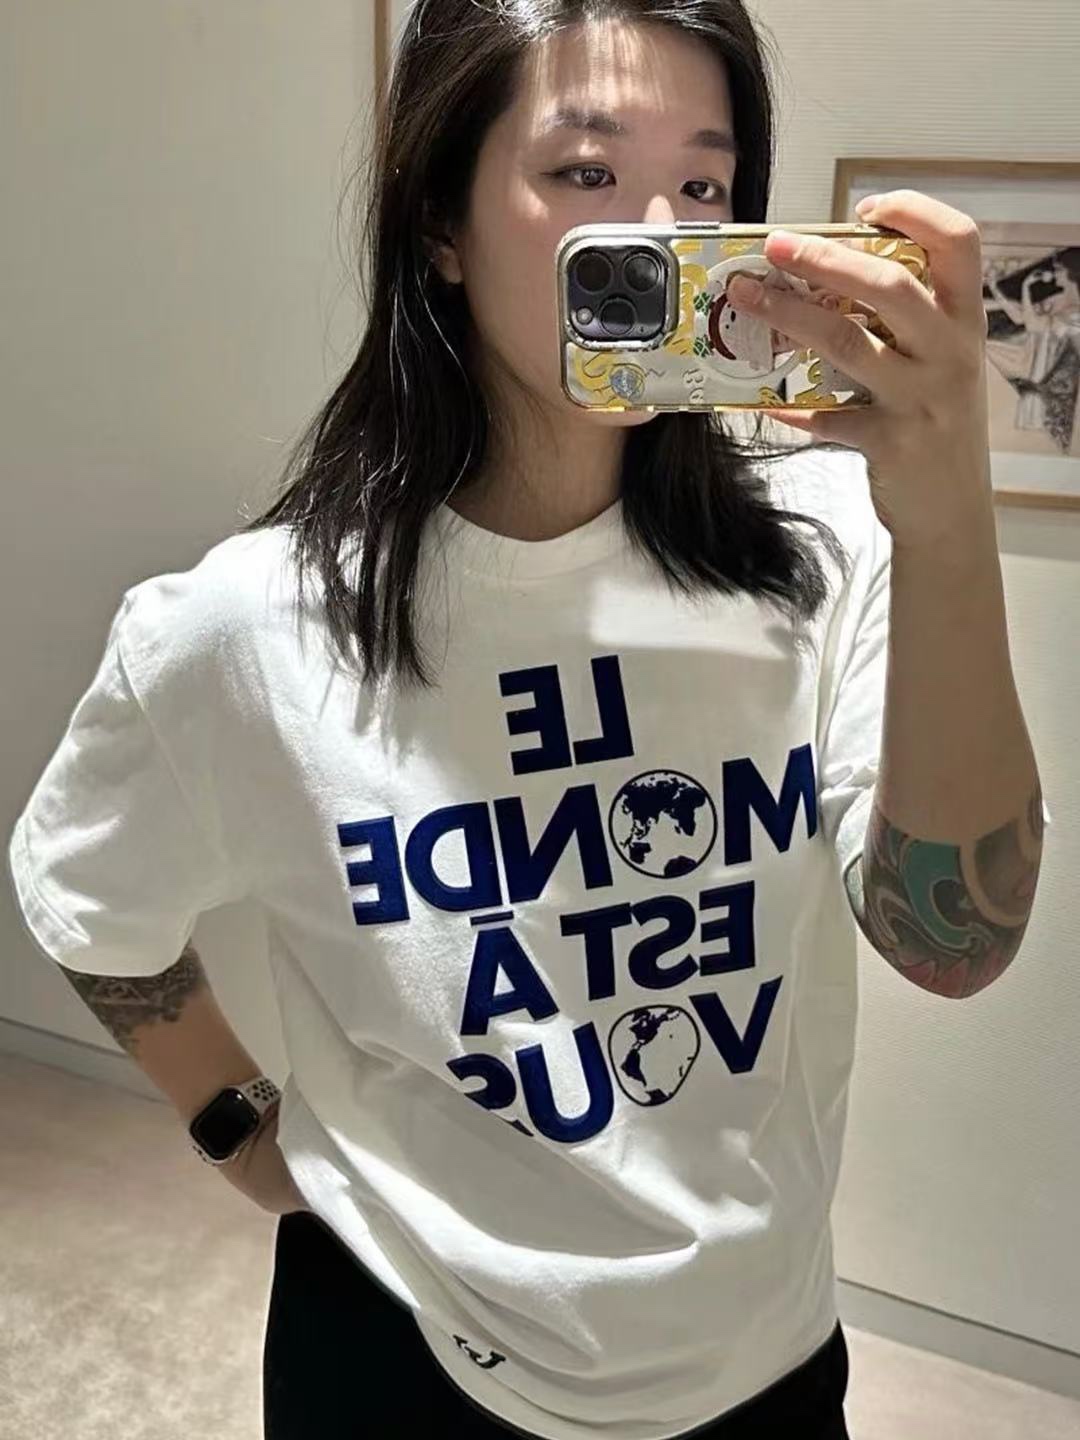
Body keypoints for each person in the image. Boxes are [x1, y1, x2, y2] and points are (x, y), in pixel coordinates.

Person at [7, 2, 891, 1436]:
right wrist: (237, 1127)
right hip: (402, 1343)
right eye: (586, 173)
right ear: (440, 225)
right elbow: (87, 899)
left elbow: (957, 935)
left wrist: (945, 505)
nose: (658, 234)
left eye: (705, 182)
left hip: (765, 1347)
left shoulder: (829, 542)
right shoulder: (251, 622)